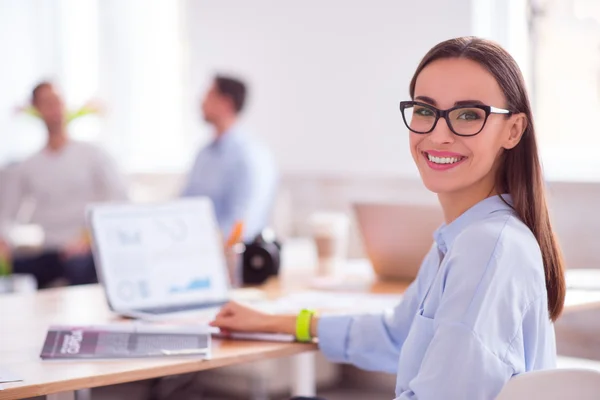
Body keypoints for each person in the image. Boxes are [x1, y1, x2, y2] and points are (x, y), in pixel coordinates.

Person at [209, 37, 566, 399]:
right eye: (425, 111)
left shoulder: (488, 247)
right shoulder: (460, 237)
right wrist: (275, 322)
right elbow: (396, 334)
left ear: (513, 130)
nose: (438, 135)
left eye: (469, 115)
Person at [0, 82, 127, 288]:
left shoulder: (92, 154)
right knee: (19, 267)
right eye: (47, 103)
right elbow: (7, 214)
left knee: (79, 266)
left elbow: (120, 199)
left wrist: (88, 238)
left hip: (87, 249)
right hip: (50, 250)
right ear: (36, 109)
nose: (55, 109)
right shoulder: (29, 166)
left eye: (58, 102)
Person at [181, 75, 277, 242]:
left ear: (226, 103)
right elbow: (183, 206)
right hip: (194, 250)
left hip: (234, 258)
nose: (201, 100)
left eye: (209, 94)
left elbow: (243, 223)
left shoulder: (251, 156)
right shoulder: (204, 154)